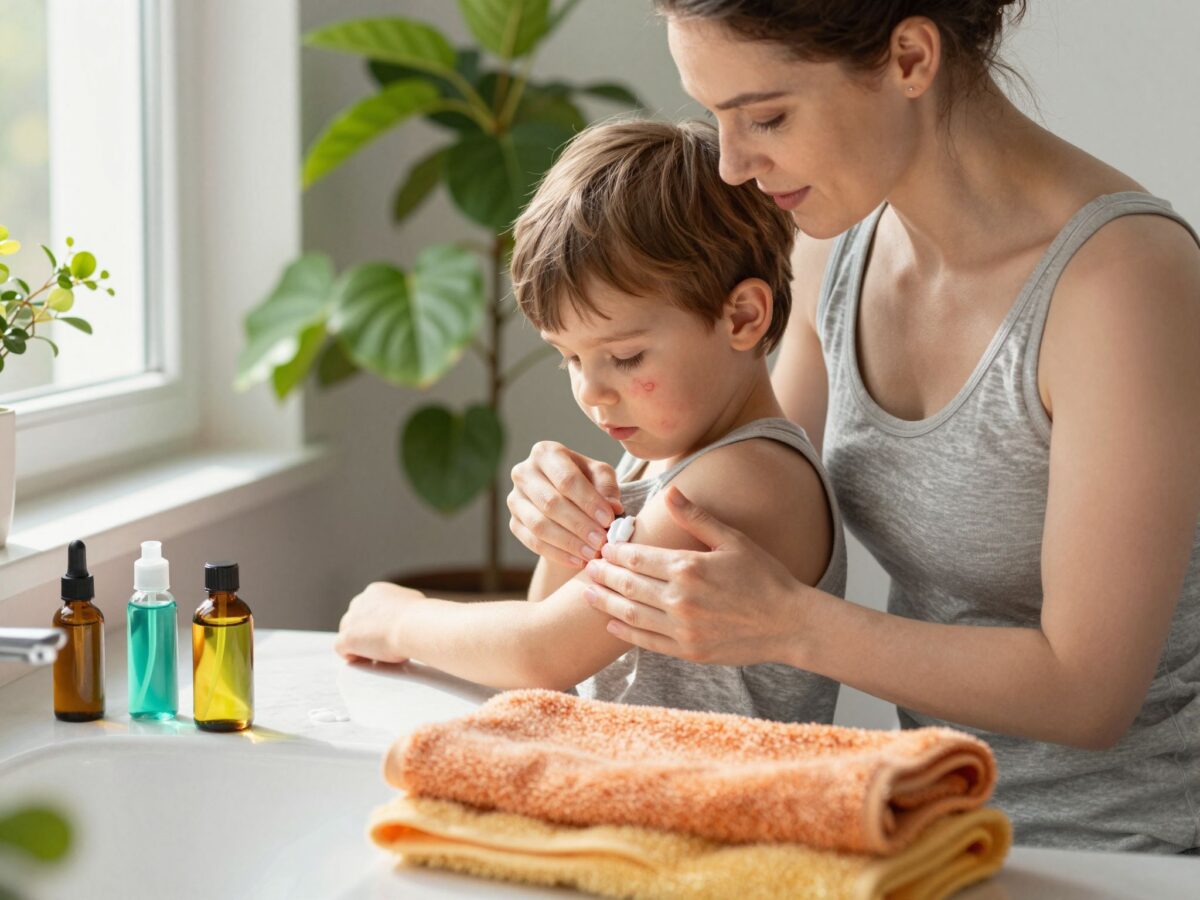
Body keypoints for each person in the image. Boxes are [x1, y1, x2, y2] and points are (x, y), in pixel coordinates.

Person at [506, 1, 1200, 853]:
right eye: (716, 116)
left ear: (910, 57)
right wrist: (583, 501)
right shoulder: (835, 243)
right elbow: (741, 481)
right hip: (917, 829)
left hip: (1114, 853)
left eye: (766, 115)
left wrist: (795, 624)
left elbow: (1089, 693)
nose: (731, 165)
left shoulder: (1123, 282)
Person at [335, 118, 848, 724]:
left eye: (625, 357)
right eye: (570, 357)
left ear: (741, 317)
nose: (591, 390)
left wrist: (401, 619)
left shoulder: (742, 480)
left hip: (718, 812)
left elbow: (541, 652)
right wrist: (570, 529)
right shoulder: (666, 451)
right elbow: (554, 627)